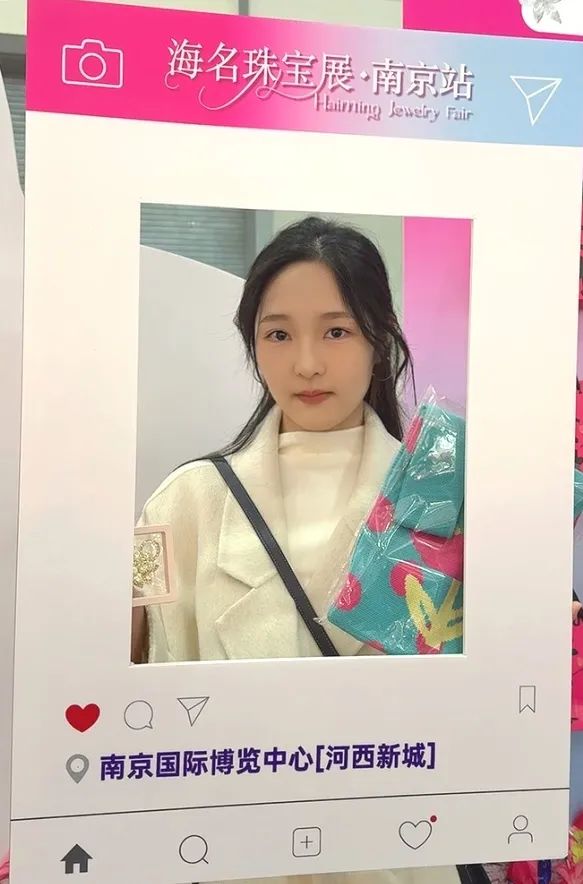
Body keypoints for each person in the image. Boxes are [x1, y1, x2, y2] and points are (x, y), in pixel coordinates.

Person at [131, 214, 460, 884]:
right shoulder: (178, 506)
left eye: (336, 331)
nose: (306, 363)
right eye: (277, 334)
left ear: (380, 338)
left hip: (400, 859)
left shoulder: (448, 501)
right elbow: (132, 693)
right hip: (230, 858)